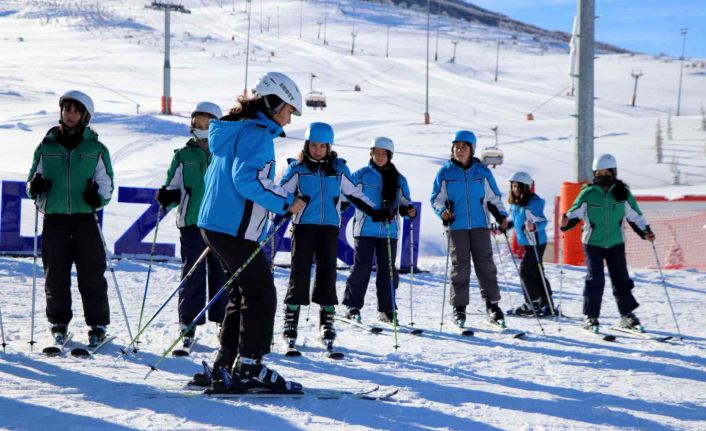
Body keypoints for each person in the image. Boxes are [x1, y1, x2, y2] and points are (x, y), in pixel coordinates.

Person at [195, 72, 307, 393]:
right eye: (287, 111)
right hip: (234, 229)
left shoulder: (235, 130)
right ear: (272, 103)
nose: (287, 121)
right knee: (260, 293)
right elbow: (247, 180)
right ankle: (250, 365)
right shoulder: (256, 135)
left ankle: (226, 363)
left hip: (218, 225)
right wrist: (287, 202)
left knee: (243, 293)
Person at [277, 122, 383, 346]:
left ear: (328, 147)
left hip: (329, 228)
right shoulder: (297, 168)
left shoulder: (338, 170)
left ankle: (327, 320)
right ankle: (291, 320)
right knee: (300, 271)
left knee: (328, 272)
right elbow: (280, 193)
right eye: (314, 145)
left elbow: (354, 193)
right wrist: (289, 204)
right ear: (307, 145)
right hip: (304, 226)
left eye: (322, 146)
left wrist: (375, 212)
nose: (318, 150)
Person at [26, 90, 114, 346]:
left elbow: (106, 182)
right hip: (54, 219)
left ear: (85, 115)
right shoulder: (46, 146)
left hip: (85, 219)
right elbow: (32, 180)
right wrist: (36, 187)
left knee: (91, 273)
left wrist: (97, 197)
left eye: (75, 111)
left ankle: (98, 324)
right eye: (66, 110)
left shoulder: (96, 148)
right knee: (55, 274)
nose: (70, 115)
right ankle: (58, 322)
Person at [156, 101, 228, 348]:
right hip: (191, 222)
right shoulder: (183, 155)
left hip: (220, 224)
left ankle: (223, 321)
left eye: (207, 125)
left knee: (222, 273)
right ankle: (188, 324)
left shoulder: (226, 154)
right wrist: (168, 197)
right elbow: (173, 186)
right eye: (197, 124)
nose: (202, 129)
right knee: (192, 273)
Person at [561, 154, 655, 332]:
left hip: (615, 242)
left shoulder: (622, 193)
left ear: (613, 172)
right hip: (593, 242)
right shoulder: (588, 194)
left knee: (621, 279)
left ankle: (627, 315)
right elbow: (574, 213)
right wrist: (566, 222)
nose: (603, 176)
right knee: (595, 279)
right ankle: (591, 316)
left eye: (606, 172)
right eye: (599, 173)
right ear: (595, 174)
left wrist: (645, 231)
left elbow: (635, 215)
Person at [430, 130, 509, 328]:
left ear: (471, 149)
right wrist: (443, 212)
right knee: (460, 268)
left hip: (480, 226)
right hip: (456, 227)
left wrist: (501, 216)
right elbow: (436, 199)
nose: (459, 150)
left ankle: (493, 306)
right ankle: (459, 308)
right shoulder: (445, 172)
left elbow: (493, 198)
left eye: (464, 147)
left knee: (486, 266)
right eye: (456, 147)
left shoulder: (482, 172)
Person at [342, 137, 416, 324]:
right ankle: (352, 306)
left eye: (383, 153)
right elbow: (347, 194)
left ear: (389, 156)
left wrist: (408, 210)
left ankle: (387, 309)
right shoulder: (361, 174)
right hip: (365, 228)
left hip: (389, 231)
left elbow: (404, 202)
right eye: (376, 152)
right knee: (361, 268)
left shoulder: (399, 179)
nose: (379, 156)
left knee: (388, 271)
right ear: (371, 153)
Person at [506, 171, 555, 317]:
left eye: (518, 187)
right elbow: (513, 220)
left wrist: (534, 226)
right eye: (513, 186)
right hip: (528, 243)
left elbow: (542, 221)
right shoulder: (516, 204)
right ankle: (547, 303)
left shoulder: (533, 203)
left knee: (526, 270)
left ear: (526, 187)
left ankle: (532, 303)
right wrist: (503, 226)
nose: (515, 189)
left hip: (536, 242)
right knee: (537, 272)